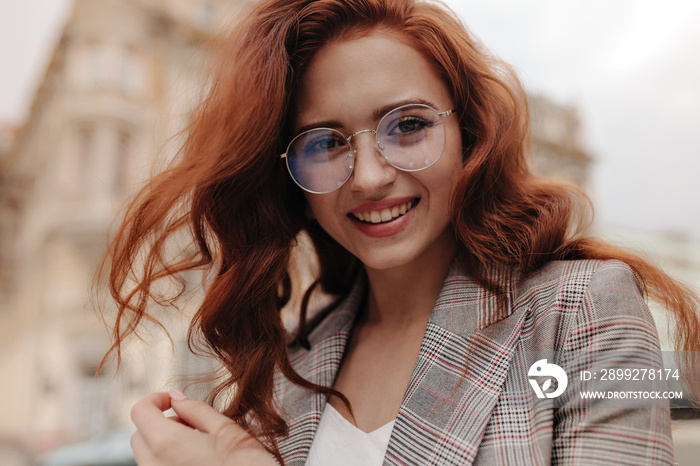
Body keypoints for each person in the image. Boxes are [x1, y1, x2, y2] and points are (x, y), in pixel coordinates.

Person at [100, 0, 700, 464]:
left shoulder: (589, 310)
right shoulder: (288, 362)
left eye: (408, 126)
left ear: (470, 135)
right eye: (325, 143)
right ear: (292, 183)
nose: (368, 176)